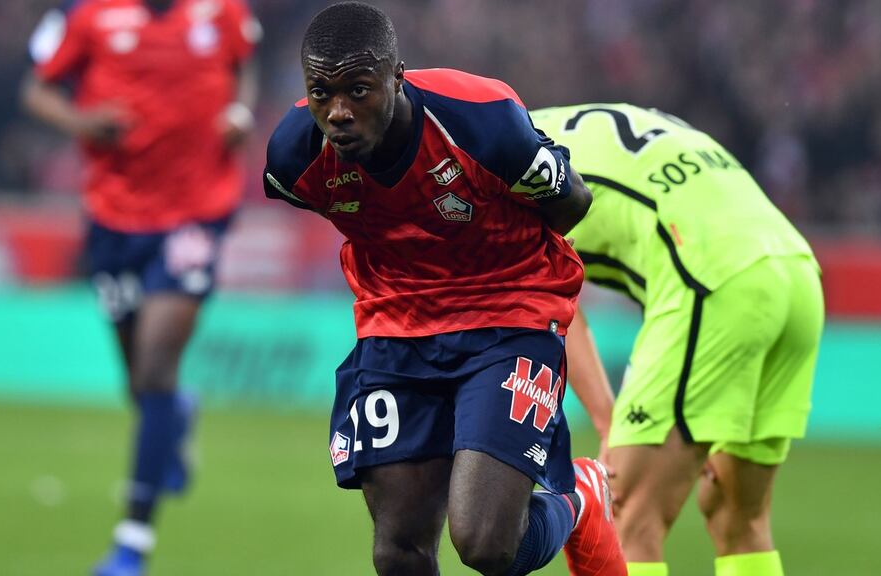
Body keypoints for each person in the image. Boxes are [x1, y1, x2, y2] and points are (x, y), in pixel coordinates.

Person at [263, 3, 625, 575]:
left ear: (397, 77)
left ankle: (578, 499)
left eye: (358, 91)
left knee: (485, 543)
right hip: (395, 328)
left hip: (508, 314)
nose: (337, 112)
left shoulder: (480, 121)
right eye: (320, 92)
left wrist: (494, 259)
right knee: (398, 552)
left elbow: (572, 202)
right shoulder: (293, 160)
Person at [529, 103, 824, 576]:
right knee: (738, 516)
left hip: (713, 279)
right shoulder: (550, 125)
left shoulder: (500, 164)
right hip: (796, 271)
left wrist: (609, 424)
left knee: (626, 515)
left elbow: (549, 302)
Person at [22, 0, 261, 574]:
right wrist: (82, 123)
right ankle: (175, 416)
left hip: (194, 216)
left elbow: (243, 66)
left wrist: (239, 112)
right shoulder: (85, 14)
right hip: (113, 218)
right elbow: (36, 89)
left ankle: (132, 539)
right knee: (140, 381)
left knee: (155, 369)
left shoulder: (222, 10)